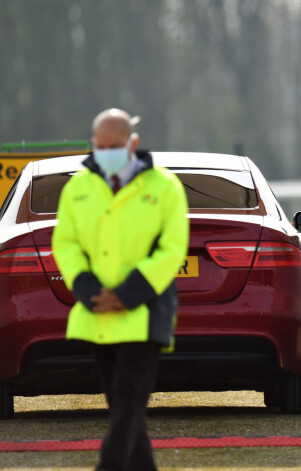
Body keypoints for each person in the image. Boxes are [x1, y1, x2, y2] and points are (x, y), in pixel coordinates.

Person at [52, 109, 189, 470]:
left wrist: (127, 294)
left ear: (133, 142)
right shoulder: (77, 188)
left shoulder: (164, 186)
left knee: (128, 397)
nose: (107, 151)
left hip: (145, 312)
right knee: (122, 405)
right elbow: (65, 243)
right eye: (101, 146)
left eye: (115, 145)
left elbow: (173, 247)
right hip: (96, 311)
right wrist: (87, 288)